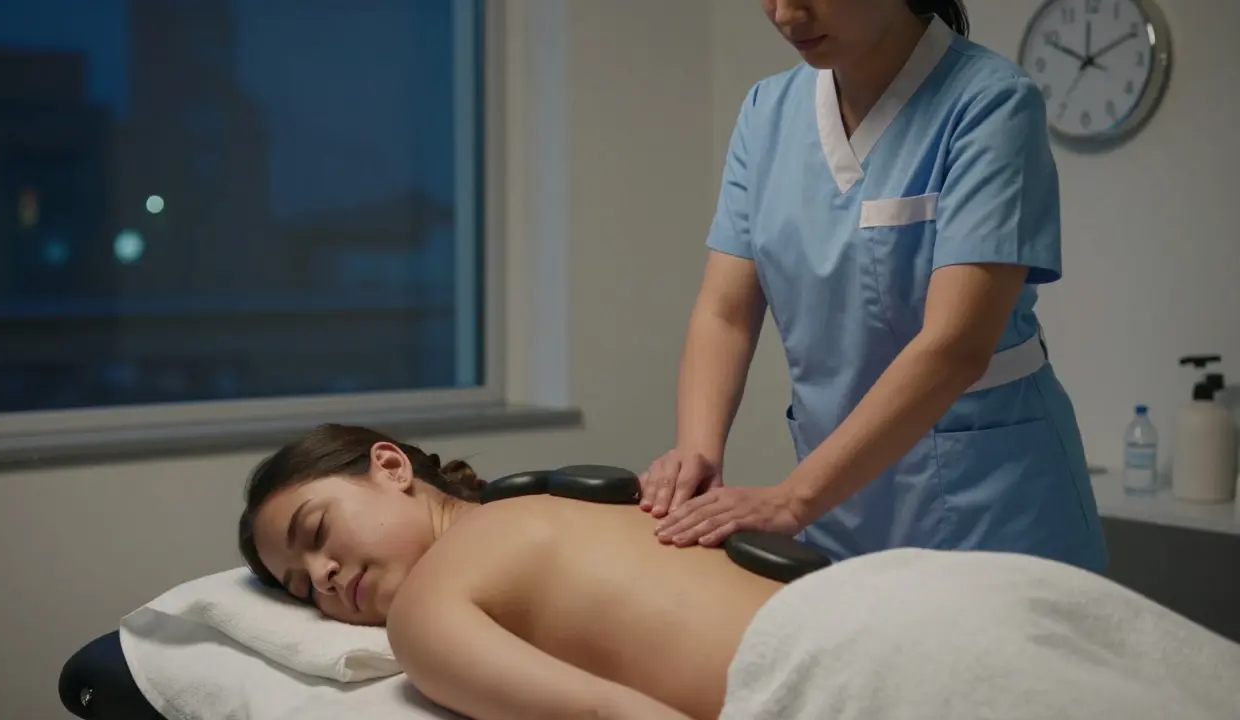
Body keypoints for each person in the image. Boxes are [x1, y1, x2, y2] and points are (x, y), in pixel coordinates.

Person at [239, 425, 1240, 720]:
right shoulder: (571, 504)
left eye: (316, 531)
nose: (321, 576)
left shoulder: (432, 606)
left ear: (387, 462)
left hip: (840, 660)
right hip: (932, 586)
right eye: (296, 583)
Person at [639, 0, 1108, 573]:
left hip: (986, 500)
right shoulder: (767, 113)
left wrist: (793, 498)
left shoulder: (990, 103)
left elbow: (955, 345)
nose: (787, 15)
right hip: (839, 494)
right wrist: (697, 451)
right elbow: (725, 312)